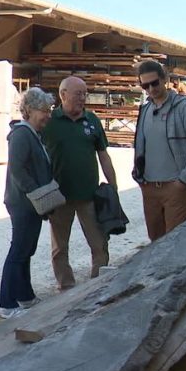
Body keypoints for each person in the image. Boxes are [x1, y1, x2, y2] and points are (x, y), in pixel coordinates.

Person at [42, 76, 118, 291]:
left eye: (85, 93)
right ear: (63, 94)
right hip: (59, 198)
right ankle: (66, 287)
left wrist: (113, 186)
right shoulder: (49, 122)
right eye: (78, 94)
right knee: (59, 248)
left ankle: (98, 286)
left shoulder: (92, 120)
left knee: (99, 244)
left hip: (90, 196)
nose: (83, 98)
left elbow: (104, 156)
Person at [132, 60, 186, 241]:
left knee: (176, 243)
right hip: (149, 188)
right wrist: (139, 177)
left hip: (175, 188)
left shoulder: (183, 107)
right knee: (155, 242)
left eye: (154, 83)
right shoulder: (145, 110)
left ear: (164, 79)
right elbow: (140, 146)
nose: (151, 89)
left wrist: (183, 180)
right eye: (145, 86)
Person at [0, 87, 56, 318]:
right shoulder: (21, 135)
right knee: (19, 250)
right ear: (30, 110)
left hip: (31, 203)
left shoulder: (33, 134)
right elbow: (18, 170)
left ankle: (25, 296)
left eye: (49, 111)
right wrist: (37, 193)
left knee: (27, 249)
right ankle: (7, 304)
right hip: (23, 202)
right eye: (44, 111)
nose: (48, 116)